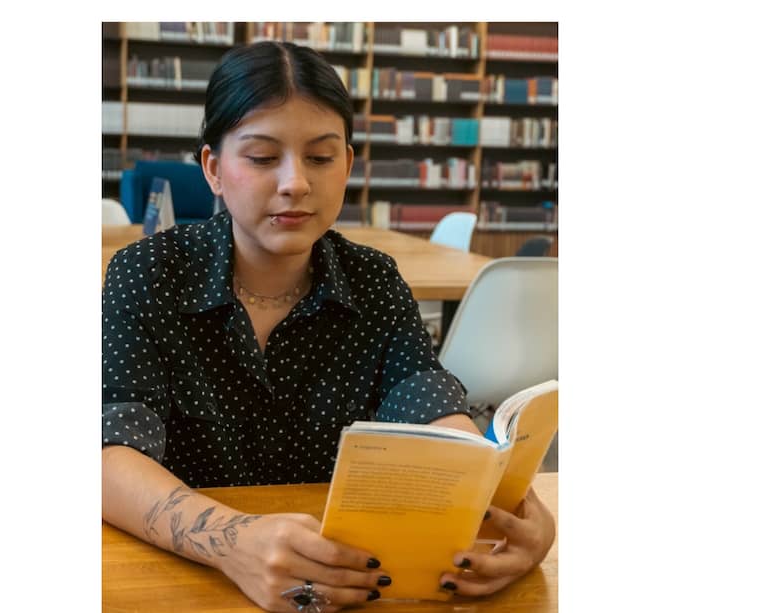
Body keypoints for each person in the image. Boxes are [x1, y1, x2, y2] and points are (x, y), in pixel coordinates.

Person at [102, 40, 555, 612]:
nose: (295, 183)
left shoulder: (374, 281)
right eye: (263, 158)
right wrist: (232, 541)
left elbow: (433, 411)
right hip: (183, 581)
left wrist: (506, 503)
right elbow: (108, 450)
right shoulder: (148, 274)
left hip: (346, 585)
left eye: (320, 157)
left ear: (347, 163)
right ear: (214, 169)